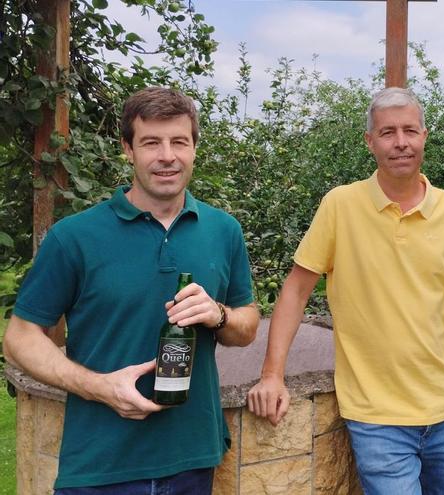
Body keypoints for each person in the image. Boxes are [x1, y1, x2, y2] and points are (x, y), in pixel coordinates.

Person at [3, 87, 260, 493]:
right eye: (150, 143)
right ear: (128, 149)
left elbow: (246, 326)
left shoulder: (223, 230)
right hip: (100, 464)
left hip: (192, 461)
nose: (167, 156)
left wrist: (220, 315)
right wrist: (100, 387)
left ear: (194, 148)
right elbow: (19, 338)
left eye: (179, 141)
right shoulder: (75, 237)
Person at [247, 87, 444, 494]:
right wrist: (272, 374)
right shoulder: (340, 206)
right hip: (376, 416)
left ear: (424, 136)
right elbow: (294, 291)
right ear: (370, 141)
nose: (401, 142)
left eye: (410, 131)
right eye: (388, 133)